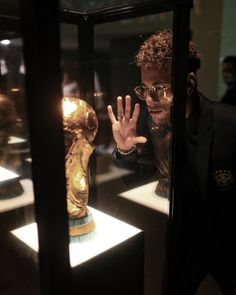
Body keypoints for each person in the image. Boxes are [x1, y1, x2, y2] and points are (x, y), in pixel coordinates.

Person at [107, 30, 236, 294]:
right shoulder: (150, 121)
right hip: (182, 238)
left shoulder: (229, 123)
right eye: (145, 89)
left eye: (161, 89)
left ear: (188, 84)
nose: (150, 100)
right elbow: (142, 177)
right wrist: (125, 150)